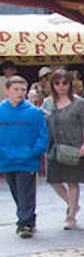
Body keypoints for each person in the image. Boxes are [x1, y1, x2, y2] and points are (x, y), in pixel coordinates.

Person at [42, 68, 84, 229]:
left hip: (74, 145)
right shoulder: (47, 102)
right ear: (52, 85)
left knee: (73, 181)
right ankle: (72, 204)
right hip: (54, 145)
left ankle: (71, 215)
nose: (61, 86)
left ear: (71, 84)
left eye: (65, 83)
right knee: (54, 180)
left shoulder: (80, 103)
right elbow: (43, 124)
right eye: (57, 83)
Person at [0, 75, 48, 238]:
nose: (20, 93)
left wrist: (33, 152)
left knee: (26, 192)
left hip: (27, 161)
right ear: (7, 91)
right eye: (16, 90)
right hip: (7, 160)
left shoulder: (34, 112)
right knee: (16, 192)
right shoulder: (1, 111)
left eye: (23, 90)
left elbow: (43, 136)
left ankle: (25, 224)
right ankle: (28, 219)